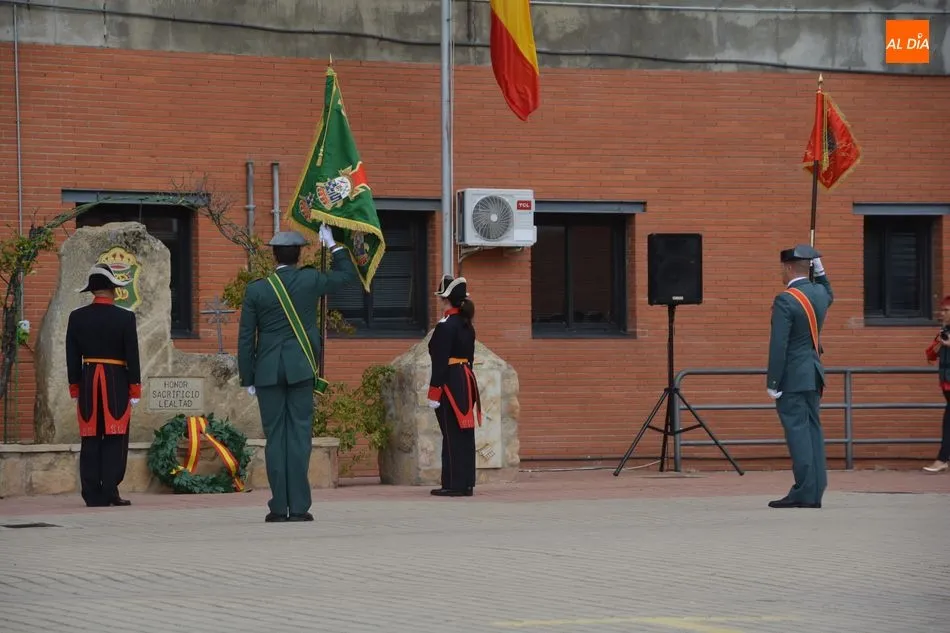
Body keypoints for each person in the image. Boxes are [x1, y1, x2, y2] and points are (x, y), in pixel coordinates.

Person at [238, 226, 357, 523]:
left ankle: (279, 507)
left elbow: (246, 338)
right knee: (300, 436)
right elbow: (346, 276)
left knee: (275, 438)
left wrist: (247, 377)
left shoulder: (257, 289)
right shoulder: (310, 279)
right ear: (299, 255)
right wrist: (333, 246)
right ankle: (300, 507)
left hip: (267, 372)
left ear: (274, 255)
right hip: (301, 368)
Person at [65, 263, 142, 508]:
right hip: (116, 379)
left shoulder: (77, 317)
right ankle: (110, 490)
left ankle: (91, 494)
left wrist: (75, 385)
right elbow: (132, 355)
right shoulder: (125, 317)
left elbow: (71, 355)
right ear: (112, 288)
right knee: (115, 436)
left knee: (90, 436)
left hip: (88, 378)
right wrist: (135, 387)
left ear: (92, 289)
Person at [765, 245, 833, 509]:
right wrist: (821, 273)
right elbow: (829, 293)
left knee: (798, 434)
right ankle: (815, 490)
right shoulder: (819, 293)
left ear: (789, 267)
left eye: (782, 268)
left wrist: (773, 381)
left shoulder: (786, 300)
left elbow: (778, 345)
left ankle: (804, 491)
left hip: (792, 377)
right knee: (813, 432)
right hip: (813, 373)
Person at [427, 274, 482, 497]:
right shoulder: (466, 324)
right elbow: (470, 357)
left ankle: (453, 484)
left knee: (451, 434)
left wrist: (434, 391)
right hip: (466, 378)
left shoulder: (446, 326)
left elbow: (440, 361)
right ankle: (466, 482)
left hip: (450, 380)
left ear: (446, 299)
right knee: (465, 433)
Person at [922, 295, 950, 473]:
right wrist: (940, 343)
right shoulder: (944, 331)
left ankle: (942, 459)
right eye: (942, 310)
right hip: (946, 384)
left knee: (948, 422)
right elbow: (930, 354)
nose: (942, 313)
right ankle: (942, 459)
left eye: (946, 310)